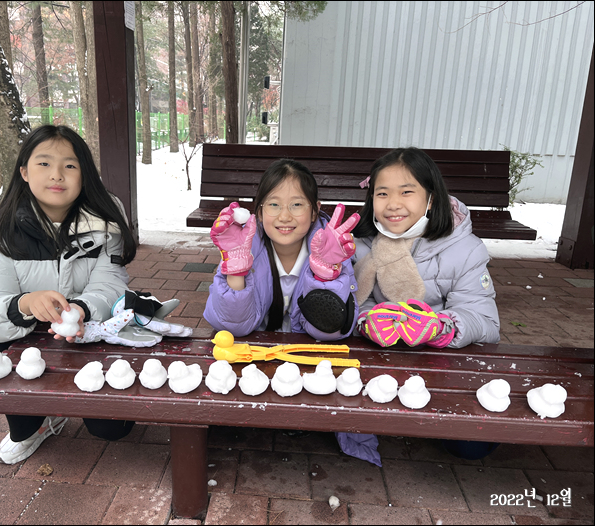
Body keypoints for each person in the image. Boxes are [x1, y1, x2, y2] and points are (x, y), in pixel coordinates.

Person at [0, 124, 138, 465]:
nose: (57, 174)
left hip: (89, 330)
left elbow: (110, 284)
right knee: (16, 402)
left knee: (111, 428)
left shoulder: (106, 224)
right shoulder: (2, 233)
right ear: (24, 172)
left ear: (84, 175)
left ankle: (77, 404)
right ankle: (37, 423)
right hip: (24, 334)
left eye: (70, 165)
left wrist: (83, 308)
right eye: (44, 163)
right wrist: (24, 304)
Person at [337, 146, 500, 464]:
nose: (393, 204)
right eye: (382, 193)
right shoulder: (361, 245)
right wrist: (367, 320)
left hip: (442, 363)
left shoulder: (464, 248)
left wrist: (442, 328)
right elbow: (357, 301)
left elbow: (484, 320)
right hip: (381, 357)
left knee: (470, 447)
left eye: (406, 192)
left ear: (431, 198)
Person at [204, 158, 360, 341]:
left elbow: (329, 333)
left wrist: (324, 277)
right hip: (256, 352)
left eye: (297, 205)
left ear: (314, 211)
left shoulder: (331, 252)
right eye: (274, 204)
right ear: (260, 211)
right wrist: (236, 271)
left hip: (308, 353)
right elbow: (232, 328)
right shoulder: (241, 249)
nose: (285, 216)